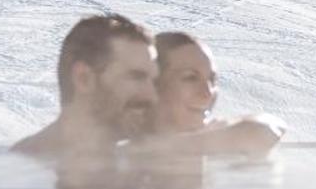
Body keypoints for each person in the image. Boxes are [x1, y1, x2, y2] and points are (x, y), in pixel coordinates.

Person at [14, 14, 159, 157]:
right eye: (136, 77)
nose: (152, 97)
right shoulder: (19, 171)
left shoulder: (133, 166)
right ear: (83, 78)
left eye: (153, 81)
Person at [140, 30, 280, 154]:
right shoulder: (123, 146)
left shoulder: (209, 133)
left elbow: (267, 128)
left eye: (212, 80)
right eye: (191, 78)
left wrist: (178, 145)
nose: (207, 93)